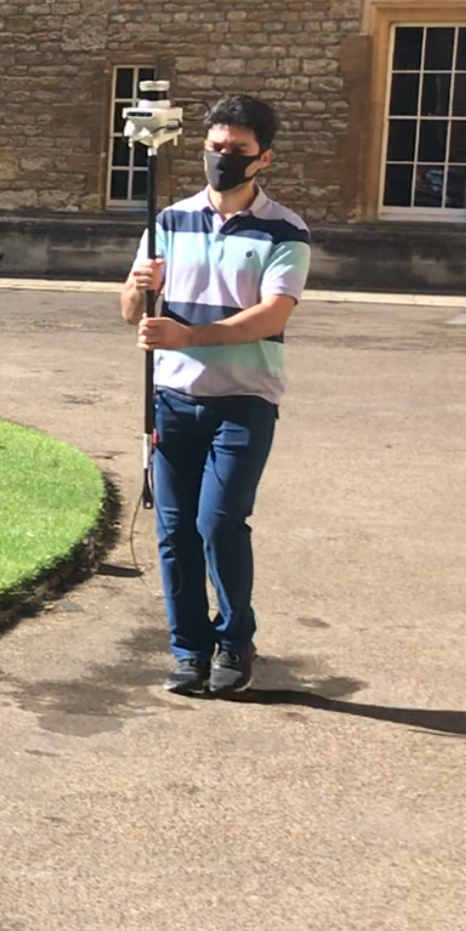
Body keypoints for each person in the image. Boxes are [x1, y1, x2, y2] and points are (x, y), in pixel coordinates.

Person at [120, 94, 310, 697]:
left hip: (244, 400)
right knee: (174, 531)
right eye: (215, 147)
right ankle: (188, 650)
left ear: (264, 159)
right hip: (173, 399)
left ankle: (235, 638)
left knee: (219, 522)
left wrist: (188, 335)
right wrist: (138, 287)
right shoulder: (169, 221)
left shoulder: (285, 230)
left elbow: (270, 315)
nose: (222, 158)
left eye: (237, 150)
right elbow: (131, 314)